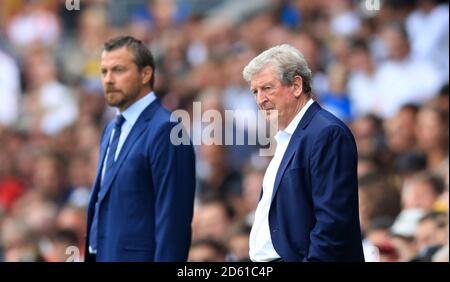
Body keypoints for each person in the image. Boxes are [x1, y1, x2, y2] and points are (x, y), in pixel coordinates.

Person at [242, 44, 364, 262]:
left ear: (296, 85)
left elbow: (332, 223)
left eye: (267, 88)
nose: (260, 100)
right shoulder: (288, 137)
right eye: (255, 91)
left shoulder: (326, 133)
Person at [85, 36, 196, 262]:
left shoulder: (167, 129)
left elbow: (173, 220)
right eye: (104, 71)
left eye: (118, 70)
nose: (108, 80)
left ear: (145, 74)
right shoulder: (110, 129)